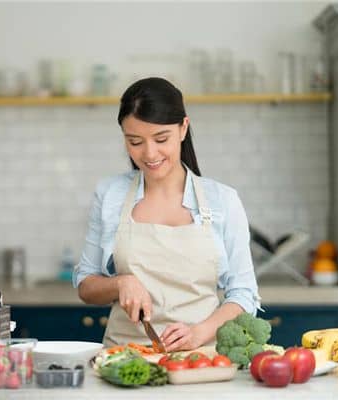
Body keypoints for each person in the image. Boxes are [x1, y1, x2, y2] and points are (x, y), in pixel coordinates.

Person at [73, 77, 260, 351]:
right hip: (125, 361)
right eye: (134, 141)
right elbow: (86, 285)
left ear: (183, 128)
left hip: (201, 361)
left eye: (161, 139)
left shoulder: (223, 201)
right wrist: (120, 283)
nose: (149, 153)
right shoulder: (110, 194)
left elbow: (244, 295)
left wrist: (200, 333)